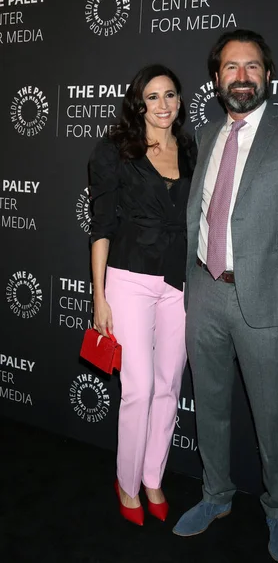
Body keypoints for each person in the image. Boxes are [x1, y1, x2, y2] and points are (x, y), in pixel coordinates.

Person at [173, 30, 278, 563]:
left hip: (269, 303)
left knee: (271, 417)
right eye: (229, 68)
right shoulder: (207, 132)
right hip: (205, 291)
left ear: (267, 74)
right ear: (217, 78)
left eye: (251, 67)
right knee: (210, 410)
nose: (240, 77)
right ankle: (215, 495)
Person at [89, 65, 196, 526]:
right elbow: (101, 226)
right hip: (129, 278)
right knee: (139, 389)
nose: (163, 105)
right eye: (152, 97)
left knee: (169, 385)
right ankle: (127, 484)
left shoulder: (191, 149)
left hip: (179, 282)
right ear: (139, 104)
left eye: (170, 95)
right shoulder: (117, 151)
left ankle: (153, 477)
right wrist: (99, 296)